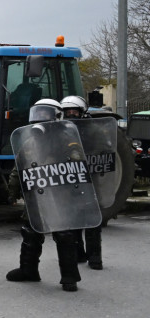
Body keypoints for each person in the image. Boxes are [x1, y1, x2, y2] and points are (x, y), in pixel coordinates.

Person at [6, 99, 86, 292]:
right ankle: (28, 270)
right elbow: (19, 167)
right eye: (38, 113)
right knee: (31, 231)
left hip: (60, 194)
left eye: (45, 113)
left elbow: (77, 162)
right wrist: (13, 191)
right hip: (37, 193)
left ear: (57, 115)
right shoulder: (30, 141)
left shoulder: (67, 138)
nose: (40, 118)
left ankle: (69, 277)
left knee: (64, 234)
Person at [61, 95, 103, 270]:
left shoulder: (92, 129)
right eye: (68, 111)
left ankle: (95, 257)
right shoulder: (59, 129)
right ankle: (77, 252)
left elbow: (103, 148)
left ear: (81, 112)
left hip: (90, 178)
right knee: (73, 217)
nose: (71, 114)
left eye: (74, 111)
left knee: (92, 218)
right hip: (69, 178)